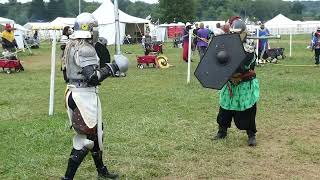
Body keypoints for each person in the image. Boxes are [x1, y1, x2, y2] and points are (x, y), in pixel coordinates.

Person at [61, 12, 128, 180]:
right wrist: (113, 67)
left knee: (97, 134)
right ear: (88, 29)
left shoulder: (71, 45)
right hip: (82, 96)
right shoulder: (85, 48)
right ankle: (67, 178)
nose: (96, 31)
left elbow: (67, 74)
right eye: (94, 28)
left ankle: (101, 171)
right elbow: (93, 77)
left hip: (77, 93)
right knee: (85, 141)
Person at [213, 16, 259, 147]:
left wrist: (235, 73)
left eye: (238, 33)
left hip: (244, 81)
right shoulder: (227, 43)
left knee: (248, 108)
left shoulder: (249, 46)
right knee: (225, 107)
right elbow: (220, 61)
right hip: (230, 82)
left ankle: (251, 134)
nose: (236, 36)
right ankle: (222, 131)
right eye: (233, 33)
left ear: (244, 33)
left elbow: (244, 65)